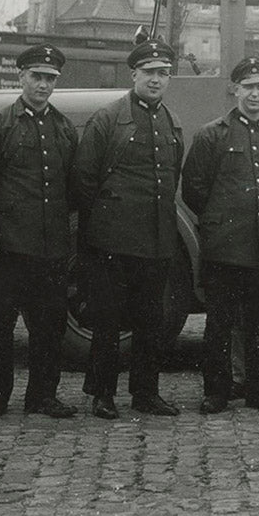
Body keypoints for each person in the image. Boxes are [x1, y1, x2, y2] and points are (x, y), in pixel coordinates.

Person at [74, 39, 183, 419]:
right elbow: (85, 179)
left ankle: (145, 393)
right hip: (114, 241)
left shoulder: (170, 120)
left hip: (156, 239)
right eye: (149, 72)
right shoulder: (109, 118)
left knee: (151, 321)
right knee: (108, 321)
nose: (156, 80)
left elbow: (173, 175)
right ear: (133, 74)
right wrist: (102, 229)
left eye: (163, 73)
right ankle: (102, 394)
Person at [182, 56, 259, 414]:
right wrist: (221, 222)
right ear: (235, 90)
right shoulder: (212, 134)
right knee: (220, 323)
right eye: (248, 87)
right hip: (226, 248)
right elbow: (194, 190)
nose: (254, 94)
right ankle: (217, 391)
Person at [0, 45, 78, 419]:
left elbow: (73, 187)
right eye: (36, 77)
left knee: (49, 327)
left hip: (51, 248)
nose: (43, 85)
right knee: (0, 326)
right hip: (10, 248)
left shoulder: (63, 128)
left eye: (49, 79)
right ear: (21, 77)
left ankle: (42, 397)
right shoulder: (2, 125)